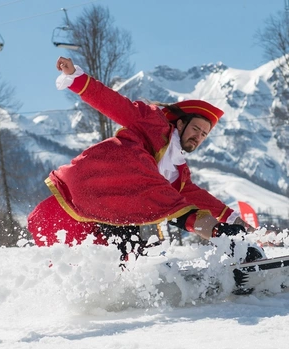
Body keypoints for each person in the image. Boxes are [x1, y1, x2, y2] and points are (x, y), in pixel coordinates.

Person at [27, 56, 266, 264]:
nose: (199, 137)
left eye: (204, 135)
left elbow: (194, 196)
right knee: (160, 196)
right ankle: (221, 237)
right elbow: (113, 102)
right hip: (86, 192)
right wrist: (76, 77)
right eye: (196, 129)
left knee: (123, 257)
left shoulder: (176, 172)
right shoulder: (151, 121)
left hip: (111, 210)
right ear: (180, 124)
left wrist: (237, 222)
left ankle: (145, 279)